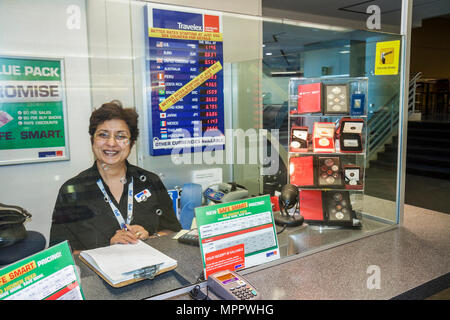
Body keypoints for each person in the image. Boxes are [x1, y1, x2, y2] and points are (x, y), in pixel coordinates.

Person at [49, 101, 181, 252]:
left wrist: (151, 238)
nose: (111, 143)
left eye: (121, 136)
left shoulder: (151, 181)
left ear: (131, 144)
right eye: (103, 135)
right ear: (93, 140)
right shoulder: (71, 191)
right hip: (95, 275)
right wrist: (108, 248)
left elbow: (173, 232)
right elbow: (59, 254)